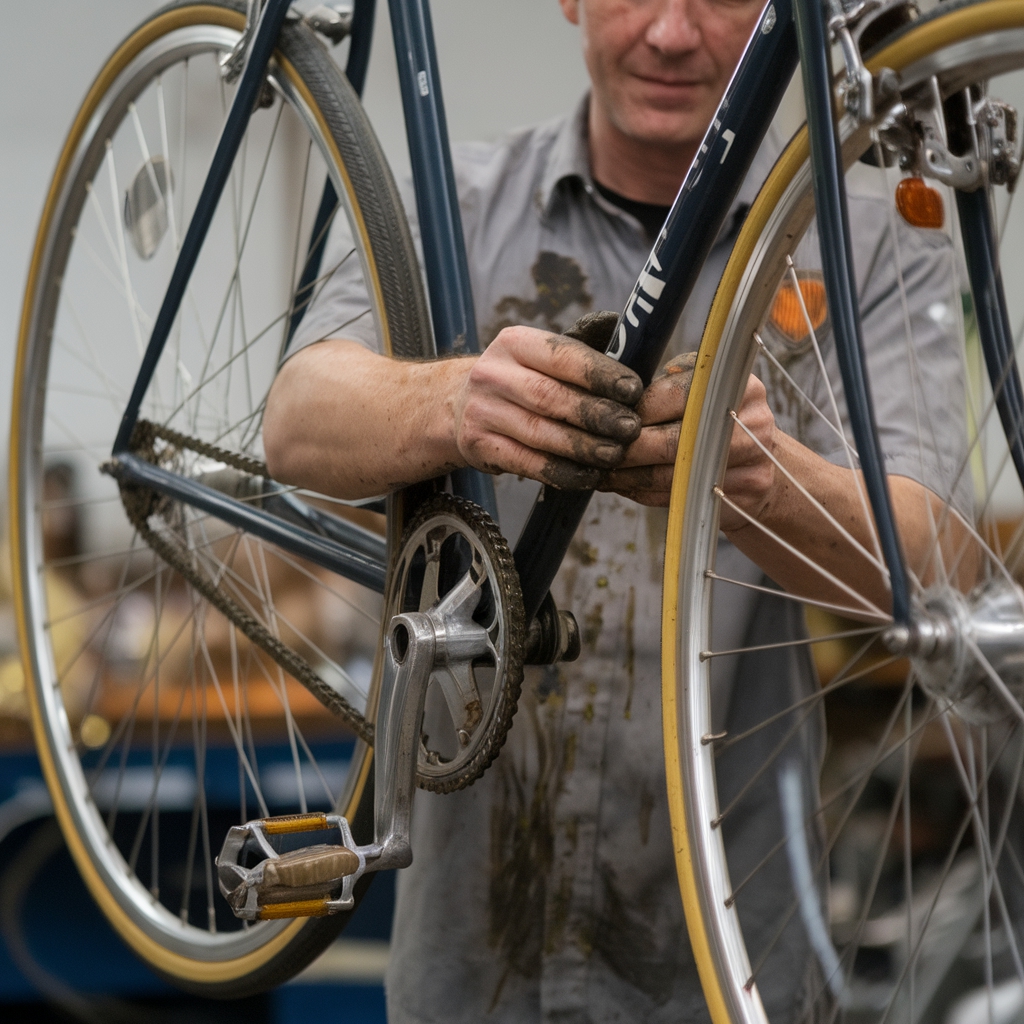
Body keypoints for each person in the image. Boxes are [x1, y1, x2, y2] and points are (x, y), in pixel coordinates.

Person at [263, 0, 968, 1019]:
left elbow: (934, 555)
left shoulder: (868, 243)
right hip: (471, 965)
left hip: (729, 960)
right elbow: (294, 419)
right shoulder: (448, 201)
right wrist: (453, 401)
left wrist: (764, 480)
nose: (671, 36)